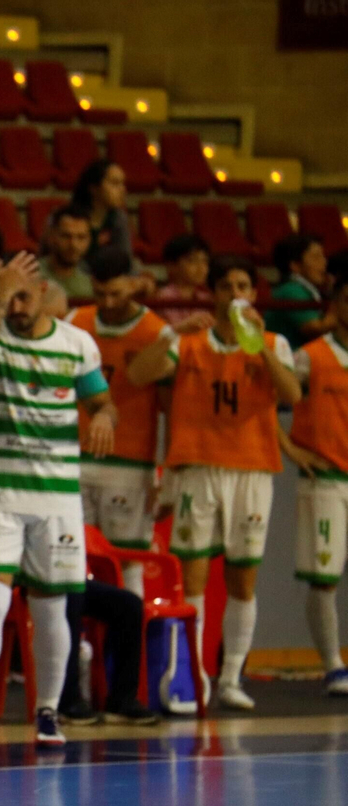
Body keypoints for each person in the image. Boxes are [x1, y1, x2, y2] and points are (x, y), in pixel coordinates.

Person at [0, 251, 119, 749]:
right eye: (7, 295)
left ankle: (48, 713)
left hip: (58, 500)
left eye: (23, 295)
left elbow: (102, 401)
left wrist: (104, 417)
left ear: (44, 294)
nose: (15, 305)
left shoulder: (76, 344)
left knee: (50, 609)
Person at [131, 256, 300, 711]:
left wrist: (259, 346)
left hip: (252, 468)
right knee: (195, 580)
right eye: (226, 286)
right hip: (198, 468)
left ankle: (230, 678)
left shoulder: (273, 343)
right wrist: (170, 333)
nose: (234, 294)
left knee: (243, 578)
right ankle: (195, 675)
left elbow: (292, 395)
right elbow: (138, 374)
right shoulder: (189, 342)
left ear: (253, 294)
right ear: (214, 294)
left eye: (243, 285)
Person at [0, 409, 154, 726]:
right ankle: (65, 700)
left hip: (40, 567)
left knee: (127, 604)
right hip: (1, 580)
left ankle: (121, 700)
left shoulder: (20, 488)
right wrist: (1, 552)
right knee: (64, 599)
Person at [66, 245, 176, 594]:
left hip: (130, 463)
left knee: (127, 560)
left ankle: (126, 645)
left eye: (115, 292)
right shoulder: (75, 323)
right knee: (72, 558)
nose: (108, 302)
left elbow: (170, 409)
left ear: (134, 284)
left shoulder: (156, 333)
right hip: (76, 458)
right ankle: (80, 644)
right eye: (99, 293)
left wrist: (167, 474)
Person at [282, 282, 348, 697]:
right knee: (324, 576)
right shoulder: (311, 356)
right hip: (325, 479)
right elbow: (264, 398)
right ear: (334, 304)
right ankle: (333, 666)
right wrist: (289, 448)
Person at [267, 234, 335, 351]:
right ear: (296, 266)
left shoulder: (308, 289)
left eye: (323, 256)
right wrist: (340, 299)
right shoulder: (290, 290)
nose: (324, 262)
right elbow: (315, 329)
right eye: (316, 257)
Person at [69, 159, 132, 262]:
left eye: (123, 184)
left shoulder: (119, 218)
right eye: (115, 183)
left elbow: (126, 258)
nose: (123, 190)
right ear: (94, 188)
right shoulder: (68, 218)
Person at [157, 234, 215, 333]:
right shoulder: (162, 297)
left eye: (204, 261)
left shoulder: (207, 298)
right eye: (192, 261)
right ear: (172, 265)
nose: (201, 268)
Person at [40, 204, 95, 303]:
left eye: (81, 237)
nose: (74, 245)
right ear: (52, 236)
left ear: (89, 240)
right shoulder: (32, 276)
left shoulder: (91, 285)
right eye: (66, 236)